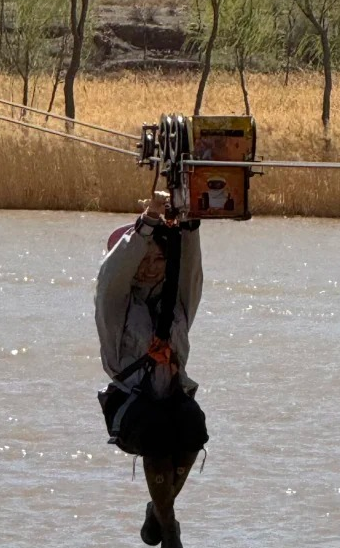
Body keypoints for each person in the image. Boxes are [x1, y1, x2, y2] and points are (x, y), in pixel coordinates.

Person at [95, 191, 208, 548]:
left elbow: (190, 269)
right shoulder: (115, 306)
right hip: (132, 403)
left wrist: (187, 225)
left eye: (158, 258)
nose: (151, 265)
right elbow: (112, 275)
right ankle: (170, 528)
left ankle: (158, 511)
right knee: (157, 436)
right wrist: (148, 224)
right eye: (143, 259)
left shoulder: (175, 300)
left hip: (172, 393)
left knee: (194, 428)